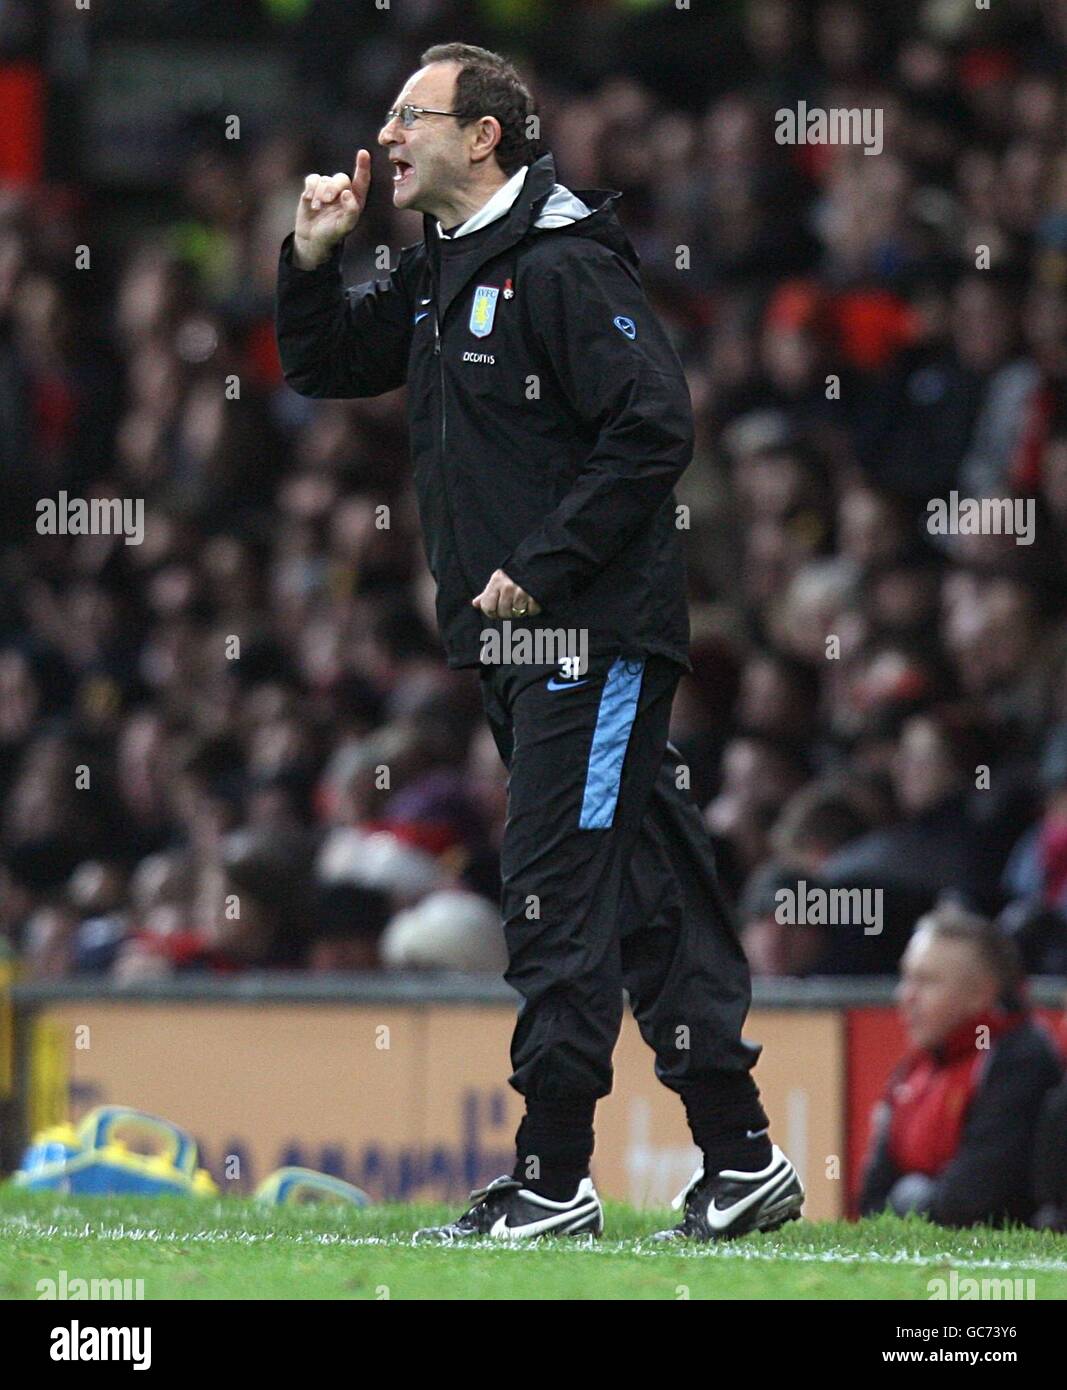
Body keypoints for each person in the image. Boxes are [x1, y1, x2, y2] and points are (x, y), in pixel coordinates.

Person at [276, 43, 802, 1242]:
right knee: (648, 895)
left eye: (414, 116)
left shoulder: (560, 265)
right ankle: (742, 1159)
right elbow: (324, 363)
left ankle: (553, 1175)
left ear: (485, 138)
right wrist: (309, 261)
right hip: (517, 645)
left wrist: (545, 566)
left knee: (554, 890)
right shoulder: (440, 265)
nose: (390, 136)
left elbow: (652, 423)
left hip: (590, 637)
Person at [859, 904, 1062, 1227]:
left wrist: (908, 1198)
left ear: (981, 993)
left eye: (926, 982)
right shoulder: (915, 1069)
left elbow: (973, 1202)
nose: (906, 996)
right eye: (906, 978)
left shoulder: (1019, 1060)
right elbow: (871, 1200)